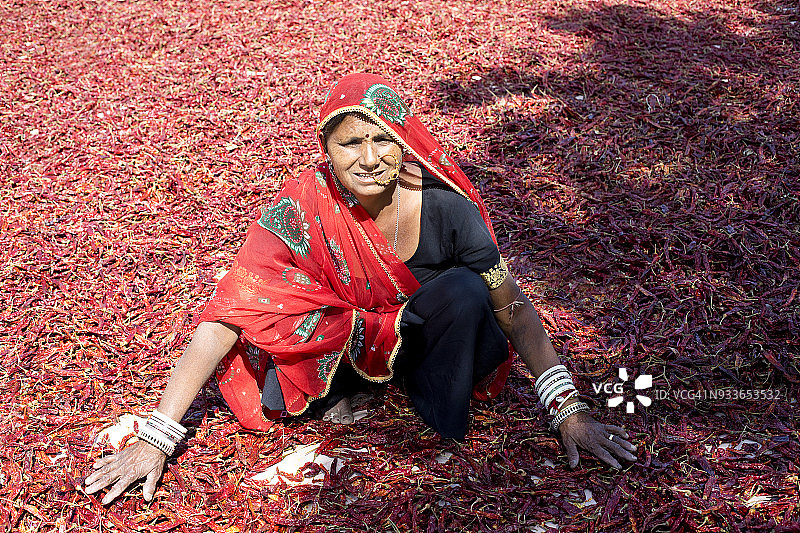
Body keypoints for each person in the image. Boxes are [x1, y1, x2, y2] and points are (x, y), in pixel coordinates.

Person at [84, 73, 637, 504]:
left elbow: (510, 304)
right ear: (326, 149)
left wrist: (568, 409)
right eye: (351, 144)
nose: (369, 159)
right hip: (349, 348)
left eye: (382, 139)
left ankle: (424, 401)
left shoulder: (449, 211)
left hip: (435, 343)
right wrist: (158, 434)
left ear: (404, 141)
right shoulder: (304, 206)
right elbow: (234, 309)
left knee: (470, 292)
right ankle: (363, 388)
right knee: (282, 379)